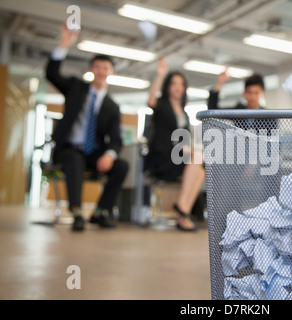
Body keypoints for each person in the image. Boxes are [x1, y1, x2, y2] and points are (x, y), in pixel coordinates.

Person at [45, 24, 129, 231]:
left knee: (122, 166)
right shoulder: (75, 88)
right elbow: (52, 73)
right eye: (97, 67)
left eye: (105, 68)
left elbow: (116, 139)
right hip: (69, 149)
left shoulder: (112, 106)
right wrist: (64, 43)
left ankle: (99, 212)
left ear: (111, 73)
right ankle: (76, 212)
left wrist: (109, 154)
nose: (101, 71)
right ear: (90, 70)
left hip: (94, 154)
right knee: (74, 160)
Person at [146, 57, 204, 231]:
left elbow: (184, 139)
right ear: (168, 86)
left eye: (181, 84)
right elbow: (150, 101)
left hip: (178, 158)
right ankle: (183, 210)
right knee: (198, 158)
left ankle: (183, 211)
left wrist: (187, 149)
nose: (178, 87)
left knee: (201, 172)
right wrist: (160, 75)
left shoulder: (184, 113)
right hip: (163, 157)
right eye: (174, 83)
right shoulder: (162, 106)